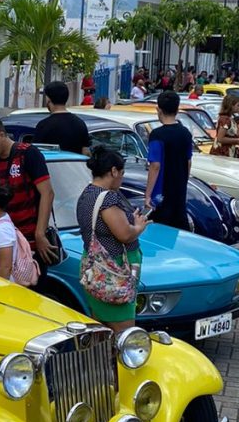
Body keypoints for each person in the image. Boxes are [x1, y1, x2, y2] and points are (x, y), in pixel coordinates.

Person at [0, 113, 57, 278]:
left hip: (31, 243)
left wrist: (40, 234)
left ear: (1, 135)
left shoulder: (28, 154)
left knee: (31, 288)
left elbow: (47, 193)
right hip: (6, 241)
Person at [75, 146, 151, 332]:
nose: (122, 178)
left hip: (96, 269)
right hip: (114, 273)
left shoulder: (87, 194)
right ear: (114, 171)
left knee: (102, 331)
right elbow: (124, 234)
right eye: (122, 173)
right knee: (124, 333)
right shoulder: (108, 198)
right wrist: (138, 227)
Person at [143, 91, 194, 228]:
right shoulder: (185, 133)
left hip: (161, 192)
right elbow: (188, 162)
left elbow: (155, 165)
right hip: (179, 191)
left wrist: (148, 195)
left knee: (159, 228)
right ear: (177, 110)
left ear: (158, 110)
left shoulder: (157, 135)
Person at [33, 81, 91, 154]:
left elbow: (35, 153)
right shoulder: (80, 124)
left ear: (48, 99)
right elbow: (86, 153)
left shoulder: (43, 125)